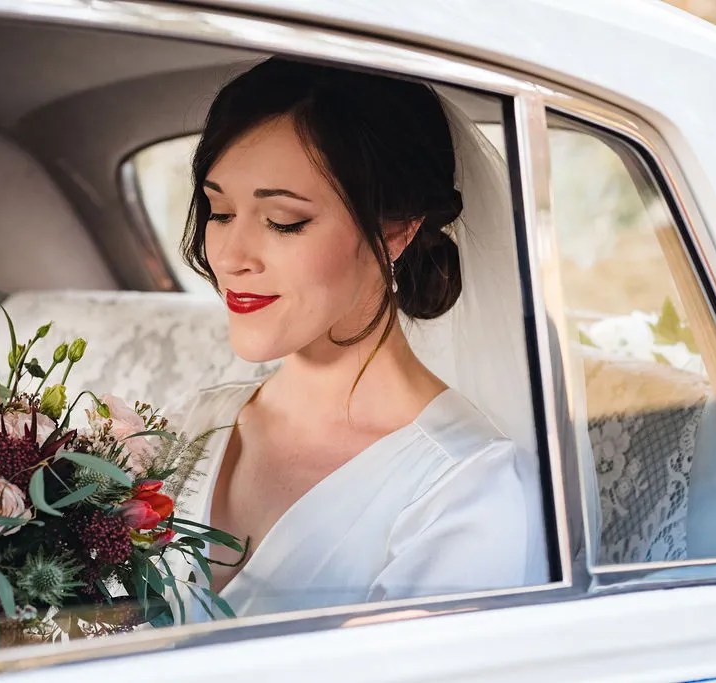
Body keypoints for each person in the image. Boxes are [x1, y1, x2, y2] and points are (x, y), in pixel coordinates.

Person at [165, 58, 548, 620]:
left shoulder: (467, 491)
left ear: (396, 230)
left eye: (283, 221)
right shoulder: (187, 426)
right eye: (219, 211)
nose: (229, 256)